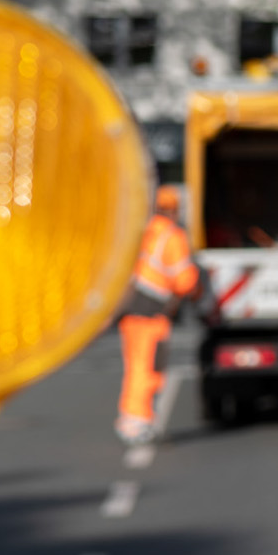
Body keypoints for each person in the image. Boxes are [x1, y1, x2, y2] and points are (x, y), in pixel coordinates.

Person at [115, 185, 201, 447]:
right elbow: (184, 280)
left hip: (131, 310)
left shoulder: (139, 231)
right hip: (153, 313)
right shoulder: (172, 236)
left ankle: (133, 418)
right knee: (149, 368)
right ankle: (136, 421)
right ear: (175, 210)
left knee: (134, 366)